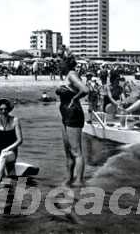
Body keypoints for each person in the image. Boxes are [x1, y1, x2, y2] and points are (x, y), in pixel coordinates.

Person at [55, 52, 88, 186]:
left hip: (74, 113)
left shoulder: (72, 74)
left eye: (60, 62)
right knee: (68, 151)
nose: (58, 64)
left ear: (66, 63)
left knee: (76, 151)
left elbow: (85, 90)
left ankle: (79, 181)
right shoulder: (67, 75)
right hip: (65, 114)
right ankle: (69, 179)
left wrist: (74, 98)